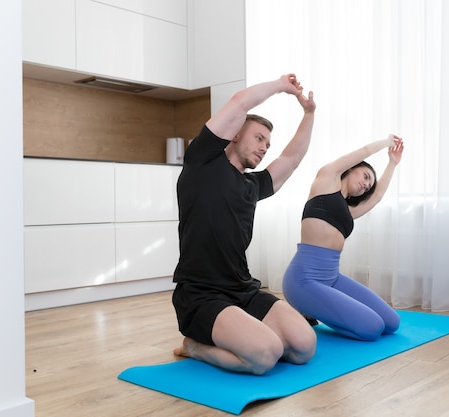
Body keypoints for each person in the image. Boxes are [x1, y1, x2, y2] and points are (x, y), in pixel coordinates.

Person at [172, 74, 317, 375]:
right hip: (201, 295)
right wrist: (280, 86)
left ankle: (243, 332)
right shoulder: (202, 163)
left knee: (304, 346)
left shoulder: (253, 185)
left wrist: (309, 113)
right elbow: (239, 103)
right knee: (266, 355)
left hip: (241, 289)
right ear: (235, 134)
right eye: (259, 138)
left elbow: (291, 159)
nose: (265, 148)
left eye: (268, 143)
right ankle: (194, 347)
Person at [282, 134, 404, 341]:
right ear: (352, 168)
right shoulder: (326, 180)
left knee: (392, 323)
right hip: (303, 280)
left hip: (332, 278)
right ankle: (303, 309)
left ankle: (311, 310)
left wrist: (392, 163)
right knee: (372, 328)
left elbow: (376, 197)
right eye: (365, 176)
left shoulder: (348, 211)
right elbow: (364, 150)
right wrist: (386, 143)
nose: (367, 184)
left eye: (369, 183)